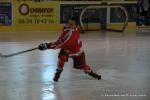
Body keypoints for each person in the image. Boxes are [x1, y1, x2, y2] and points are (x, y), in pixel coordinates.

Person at [38, 17, 101, 82]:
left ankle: (91, 72)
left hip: (76, 52)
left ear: (76, 26)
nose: (68, 25)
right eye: (68, 23)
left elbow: (60, 44)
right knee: (62, 58)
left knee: (82, 66)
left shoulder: (72, 35)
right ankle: (58, 72)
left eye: (71, 24)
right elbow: (60, 40)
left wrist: (47, 46)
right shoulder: (67, 28)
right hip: (67, 49)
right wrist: (48, 45)